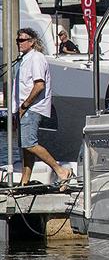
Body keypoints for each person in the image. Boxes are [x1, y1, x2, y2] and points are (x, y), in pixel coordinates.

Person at [12, 28, 74, 189]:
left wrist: (25, 105)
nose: (19, 43)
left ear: (31, 42)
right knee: (25, 147)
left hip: (31, 107)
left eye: (22, 40)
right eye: (18, 40)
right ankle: (24, 182)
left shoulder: (36, 58)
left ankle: (60, 170)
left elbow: (39, 84)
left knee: (30, 144)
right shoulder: (24, 59)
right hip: (22, 108)